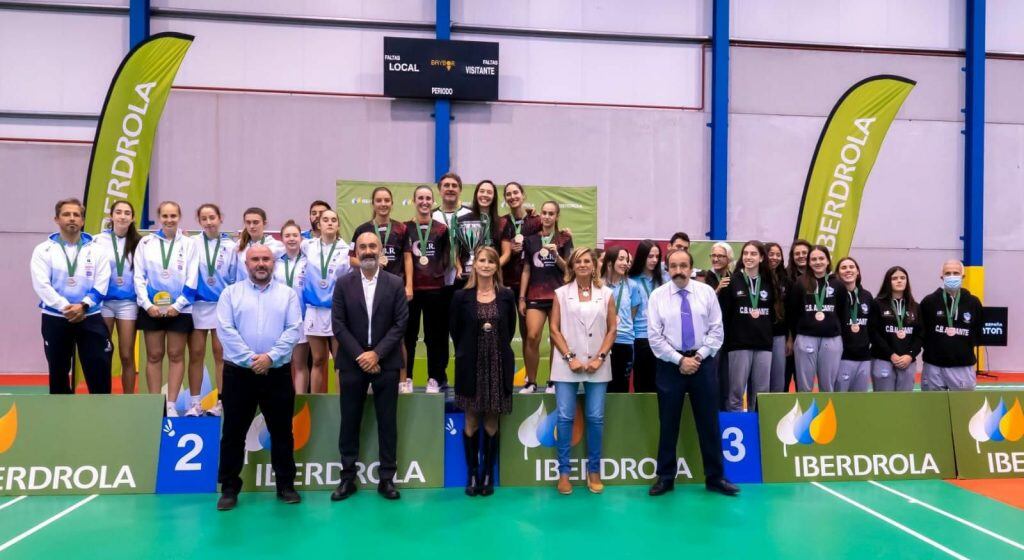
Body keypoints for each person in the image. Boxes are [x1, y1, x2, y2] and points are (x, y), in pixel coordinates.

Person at [215, 244, 302, 511]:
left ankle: (285, 485)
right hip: (239, 373)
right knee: (233, 433)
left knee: (282, 433)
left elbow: (293, 329)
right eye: (255, 259)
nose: (261, 264)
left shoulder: (287, 294)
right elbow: (225, 330)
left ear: (273, 263)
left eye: (266, 259)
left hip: (276, 373)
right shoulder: (230, 294)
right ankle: (229, 488)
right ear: (246, 263)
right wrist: (252, 360)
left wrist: (270, 358)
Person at [647, 248, 738, 497]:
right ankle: (665, 477)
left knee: (708, 422)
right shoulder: (657, 296)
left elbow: (716, 331)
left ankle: (715, 477)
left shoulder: (706, 292)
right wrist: (679, 360)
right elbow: (655, 338)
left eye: (683, 265)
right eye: (674, 266)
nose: (678, 271)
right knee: (668, 423)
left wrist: (697, 357)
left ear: (691, 267)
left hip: (703, 362)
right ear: (667, 269)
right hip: (670, 365)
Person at [331, 232, 409, 502]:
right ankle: (347, 478)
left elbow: (400, 324)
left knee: (388, 422)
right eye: (362, 247)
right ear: (356, 250)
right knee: (349, 421)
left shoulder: (395, 283)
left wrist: (376, 354)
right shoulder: (342, 284)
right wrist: (361, 356)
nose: (367, 251)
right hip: (352, 363)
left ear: (380, 250)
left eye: (372, 246)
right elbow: (338, 324)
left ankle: (387, 479)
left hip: (386, 362)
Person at [449, 246, 517, 497]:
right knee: (471, 419)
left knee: (491, 420)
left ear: (497, 266)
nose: (486, 264)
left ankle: (488, 473)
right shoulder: (460, 297)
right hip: (470, 365)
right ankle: (472, 473)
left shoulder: (507, 295)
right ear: (474, 264)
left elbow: (509, 331)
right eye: (481, 260)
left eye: (491, 261)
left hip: (498, 364)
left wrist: (493, 352)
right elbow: (455, 331)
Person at [549, 247, 617, 495]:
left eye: (587, 260)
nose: (583, 265)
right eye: (578, 261)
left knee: (595, 418)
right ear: (571, 265)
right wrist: (570, 357)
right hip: (567, 364)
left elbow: (612, 329)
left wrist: (600, 357)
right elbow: (554, 329)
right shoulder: (560, 293)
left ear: (595, 265)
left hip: (598, 365)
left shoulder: (606, 293)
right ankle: (564, 472)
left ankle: (594, 471)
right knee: (565, 417)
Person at [32, 198, 113, 394]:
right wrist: (66, 308)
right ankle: (61, 420)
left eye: (76, 215)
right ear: (56, 219)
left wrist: (83, 306)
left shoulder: (97, 250)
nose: (72, 218)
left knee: (99, 370)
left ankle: (101, 417)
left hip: (90, 316)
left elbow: (102, 282)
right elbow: (41, 285)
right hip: (56, 318)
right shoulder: (43, 250)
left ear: (83, 221)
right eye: (66, 214)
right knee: (58, 372)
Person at [134, 201, 199, 415]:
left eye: (173, 216)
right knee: (154, 355)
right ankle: (155, 404)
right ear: (159, 217)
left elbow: (192, 278)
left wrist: (178, 305)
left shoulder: (189, 244)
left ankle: (171, 404)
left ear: (179, 217)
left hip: (179, 309)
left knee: (175, 355)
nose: (169, 220)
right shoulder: (145, 243)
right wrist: (147, 304)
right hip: (151, 308)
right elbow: (139, 276)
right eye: (165, 216)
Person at [350, 187, 410, 389]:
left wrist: (409, 284)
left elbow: (407, 257)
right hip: (369, 285)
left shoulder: (401, 228)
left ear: (392, 203)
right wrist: (370, 263)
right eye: (379, 200)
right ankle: (367, 375)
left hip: (393, 289)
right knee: (369, 334)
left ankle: (402, 381)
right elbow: (351, 258)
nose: (383, 204)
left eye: (387, 200)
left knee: (398, 337)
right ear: (373, 204)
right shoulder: (362, 229)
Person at [187, 203, 237, 416]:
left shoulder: (232, 246)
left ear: (220, 218)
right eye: (204, 218)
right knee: (196, 353)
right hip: (197, 305)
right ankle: (195, 403)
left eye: (212, 218)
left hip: (221, 306)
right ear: (199, 221)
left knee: (220, 354)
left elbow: (235, 277)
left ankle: (221, 402)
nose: (209, 222)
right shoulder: (191, 244)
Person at [519, 201, 573, 394]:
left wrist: (556, 255)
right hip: (535, 294)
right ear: (540, 215)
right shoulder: (531, 240)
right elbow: (526, 270)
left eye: (551, 213)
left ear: (557, 216)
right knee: (532, 336)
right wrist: (522, 298)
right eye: (544, 213)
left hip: (558, 295)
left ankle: (552, 381)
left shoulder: (564, 239)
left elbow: (569, 268)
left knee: (554, 338)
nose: (547, 216)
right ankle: (531, 382)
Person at [404, 186, 453, 394]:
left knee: (436, 336)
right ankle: (406, 377)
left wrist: (436, 273)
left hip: (436, 289)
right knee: (408, 335)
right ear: (414, 201)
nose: (424, 202)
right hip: (411, 291)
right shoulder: (405, 228)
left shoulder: (442, 229)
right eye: (420, 198)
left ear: (433, 202)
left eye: (428, 198)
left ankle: (435, 377)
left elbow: (447, 257)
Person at [718, 241, 776, 411]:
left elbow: (774, 313)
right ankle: (736, 429)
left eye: (753, 254)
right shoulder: (731, 281)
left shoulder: (768, 282)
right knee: (735, 392)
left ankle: (757, 431)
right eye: (746, 253)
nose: (749, 257)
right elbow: (724, 315)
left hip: (764, 344)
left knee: (760, 395)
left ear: (762, 258)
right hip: (738, 344)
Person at [94, 200, 141, 394]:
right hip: (104, 302)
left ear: (133, 218)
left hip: (128, 304)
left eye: (127, 213)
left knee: (127, 354)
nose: (122, 216)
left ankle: (128, 398)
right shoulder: (97, 240)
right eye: (118, 212)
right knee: (103, 352)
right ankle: (102, 396)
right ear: (111, 216)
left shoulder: (140, 242)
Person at [302, 209, 350, 394]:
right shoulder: (307, 246)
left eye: (333, 220)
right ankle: (316, 402)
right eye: (325, 220)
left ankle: (340, 402)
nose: (330, 223)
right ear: (318, 224)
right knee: (318, 359)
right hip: (314, 310)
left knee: (339, 361)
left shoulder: (345, 250)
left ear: (338, 225)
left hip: (336, 311)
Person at [785, 245, 843, 393]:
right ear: (809, 262)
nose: (818, 262)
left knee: (828, 386)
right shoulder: (800, 283)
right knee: (804, 386)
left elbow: (843, 311)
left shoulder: (837, 283)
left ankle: (827, 415)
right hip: (806, 337)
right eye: (814, 259)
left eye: (821, 258)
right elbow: (793, 312)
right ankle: (807, 415)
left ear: (828, 260)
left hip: (831, 338)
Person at [920, 260, 983, 391]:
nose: (952, 276)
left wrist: (961, 348)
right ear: (942, 277)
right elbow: (921, 331)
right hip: (933, 366)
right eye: (948, 273)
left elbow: (978, 330)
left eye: (956, 273)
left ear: (963, 276)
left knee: (963, 409)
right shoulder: (929, 301)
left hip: (963, 366)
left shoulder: (973, 302)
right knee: (933, 408)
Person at [499, 181, 541, 342]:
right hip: (507, 283)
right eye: (508, 194)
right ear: (505, 199)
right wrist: (510, 249)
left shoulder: (536, 221)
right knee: (505, 330)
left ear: (523, 195)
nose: (512, 196)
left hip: (530, 284)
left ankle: (529, 367)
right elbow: (500, 252)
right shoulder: (501, 222)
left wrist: (565, 233)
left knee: (528, 333)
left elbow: (549, 235)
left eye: (516, 192)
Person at [869, 266, 923, 391]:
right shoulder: (877, 304)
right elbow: (873, 333)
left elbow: (920, 335)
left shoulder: (915, 306)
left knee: (903, 402)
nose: (899, 281)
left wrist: (910, 355)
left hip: (907, 361)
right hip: (883, 359)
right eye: (895, 278)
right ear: (888, 282)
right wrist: (891, 354)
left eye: (903, 278)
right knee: (884, 402)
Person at [274, 221, 311, 393]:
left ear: (301, 238)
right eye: (287, 235)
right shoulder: (275, 263)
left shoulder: (309, 261)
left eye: (295, 235)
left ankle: (299, 400)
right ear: (281, 239)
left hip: (301, 319)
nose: (291, 239)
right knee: (281, 364)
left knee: (300, 363)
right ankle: (282, 399)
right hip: (279, 320)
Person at [628, 239, 665, 393]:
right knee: (642, 384)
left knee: (661, 384)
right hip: (641, 337)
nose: (654, 260)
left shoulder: (664, 280)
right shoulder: (631, 281)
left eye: (657, 257)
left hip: (662, 337)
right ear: (642, 256)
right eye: (650, 256)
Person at [603, 246, 641, 393]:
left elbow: (632, 313)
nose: (625, 263)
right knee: (601, 386)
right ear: (609, 262)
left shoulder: (632, 285)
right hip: (601, 341)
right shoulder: (598, 285)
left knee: (620, 386)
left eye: (627, 259)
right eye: (621, 259)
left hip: (624, 341)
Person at [835, 257, 872, 392]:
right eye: (843, 268)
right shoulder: (834, 297)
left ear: (858, 272)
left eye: (851, 267)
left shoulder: (867, 296)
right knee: (840, 400)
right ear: (838, 274)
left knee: (859, 401)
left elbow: (871, 326)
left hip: (864, 358)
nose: (848, 270)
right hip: (842, 357)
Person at [454, 180, 503, 284]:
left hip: (493, 277)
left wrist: (491, 267)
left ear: (494, 197)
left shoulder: (501, 222)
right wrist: (458, 267)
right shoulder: (462, 220)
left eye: (489, 192)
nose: (485, 195)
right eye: (482, 191)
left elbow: (506, 252)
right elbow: (455, 250)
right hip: (467, 275)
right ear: (476, 194)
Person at [765, 242, 791, 393]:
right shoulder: (757, 278)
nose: (774, 258)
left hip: (779, 336)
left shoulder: (785, 280)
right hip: (759, 336)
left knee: (778, 380)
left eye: (778, 255)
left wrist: (790, 338)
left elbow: (790, 312)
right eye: (771, 254)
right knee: (760, 380)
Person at [235, 207, 285, 283]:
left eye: (255, 222)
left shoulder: (276, 246)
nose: (251, 226)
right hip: (244, 291)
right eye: (248, 222)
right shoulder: (239, 245)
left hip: (267, 291)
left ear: (264, 223)